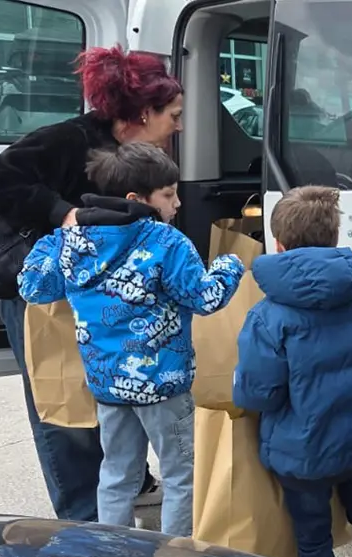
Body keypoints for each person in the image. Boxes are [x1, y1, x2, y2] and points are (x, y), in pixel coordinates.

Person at [0, 46, 184, 522]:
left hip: (89, 295)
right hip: (42, 292)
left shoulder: (130, 153)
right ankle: (83, 520)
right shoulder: (68, 140)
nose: (180, 125)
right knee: (61, 401)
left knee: (104, 390)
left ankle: (121, 483)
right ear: (144, 113)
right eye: (174, 115)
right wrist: (60, 213)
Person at [17, 143, 245, 536]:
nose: (177, 203)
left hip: (106, 384)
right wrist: (229, 266)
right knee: (181, 474)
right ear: (136, 200)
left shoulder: (73, 242)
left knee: (117, 473)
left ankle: (114, 554)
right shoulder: (166, 242)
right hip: (163, 386)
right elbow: (205, 297)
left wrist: (53, 239)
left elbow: (33, 287)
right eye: (169, 195)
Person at [232, 186, 352, 557]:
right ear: (335, 238)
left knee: (312, 535)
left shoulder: (268, 316)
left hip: (302, 448)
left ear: (279, 243)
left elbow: (258, 395)